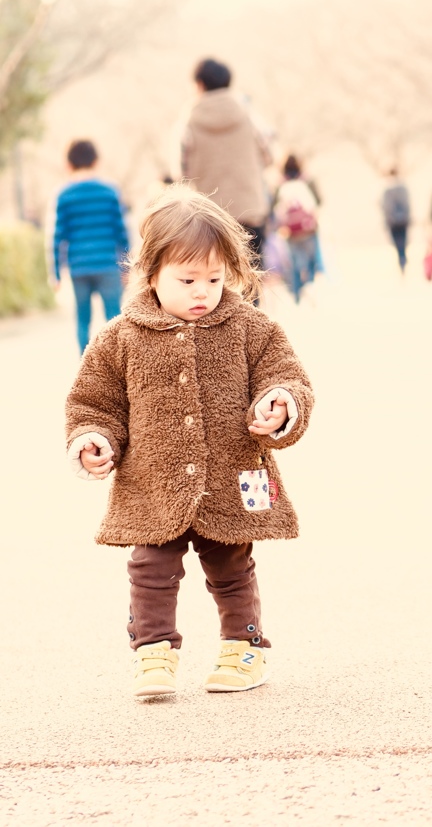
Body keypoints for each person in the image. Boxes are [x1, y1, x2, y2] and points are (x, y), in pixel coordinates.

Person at [65, 185, 314, 698]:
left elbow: (288, 377)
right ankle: (153, 653)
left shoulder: (251, 327)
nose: (203, 291)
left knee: (231, 565)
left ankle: (243, 648)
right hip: (153, 483)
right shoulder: (121, 336)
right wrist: (93, 437)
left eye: (215, 279)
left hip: (231, 476)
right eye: (187, 280)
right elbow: (93, 401)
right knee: (150, 568)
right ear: (150, 273)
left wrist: (280, 403)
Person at [181, 58, 273, 269]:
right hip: (250, 212)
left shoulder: (189, 120)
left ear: (200, 84)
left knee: (214, 282)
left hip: (210, 217)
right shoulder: (248, 114)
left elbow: (182, 170)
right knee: (250, 284)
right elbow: (269, 156)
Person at [51, 139, 131, 354]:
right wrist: (127, 267)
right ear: (96, 161)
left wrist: (56, 273)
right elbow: (121, 233)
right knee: (114, 319)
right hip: (107, 264)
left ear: (69, 164)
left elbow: (58, 237)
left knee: (82, 320)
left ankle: (85, 372)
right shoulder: (109, 191)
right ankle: (118, 366)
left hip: (79, 267)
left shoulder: (64, 195)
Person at [272, 154, 321, 304]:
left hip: (290, 232)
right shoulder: (307, 181)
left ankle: (297, 295)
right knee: (311, 260)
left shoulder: (280, 185)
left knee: (294, 262)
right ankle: (310, 286)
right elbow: (318, 201)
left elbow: (275, 208)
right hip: (308, 230)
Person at [381, 169, 412, 274]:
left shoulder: (387, 190)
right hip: (403, 221)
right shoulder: (403, 188)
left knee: (397, 243)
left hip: (393, 222)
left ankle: (401, 259)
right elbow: (408, 205)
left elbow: (385, 208)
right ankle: (403, 258)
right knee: (403, 242)